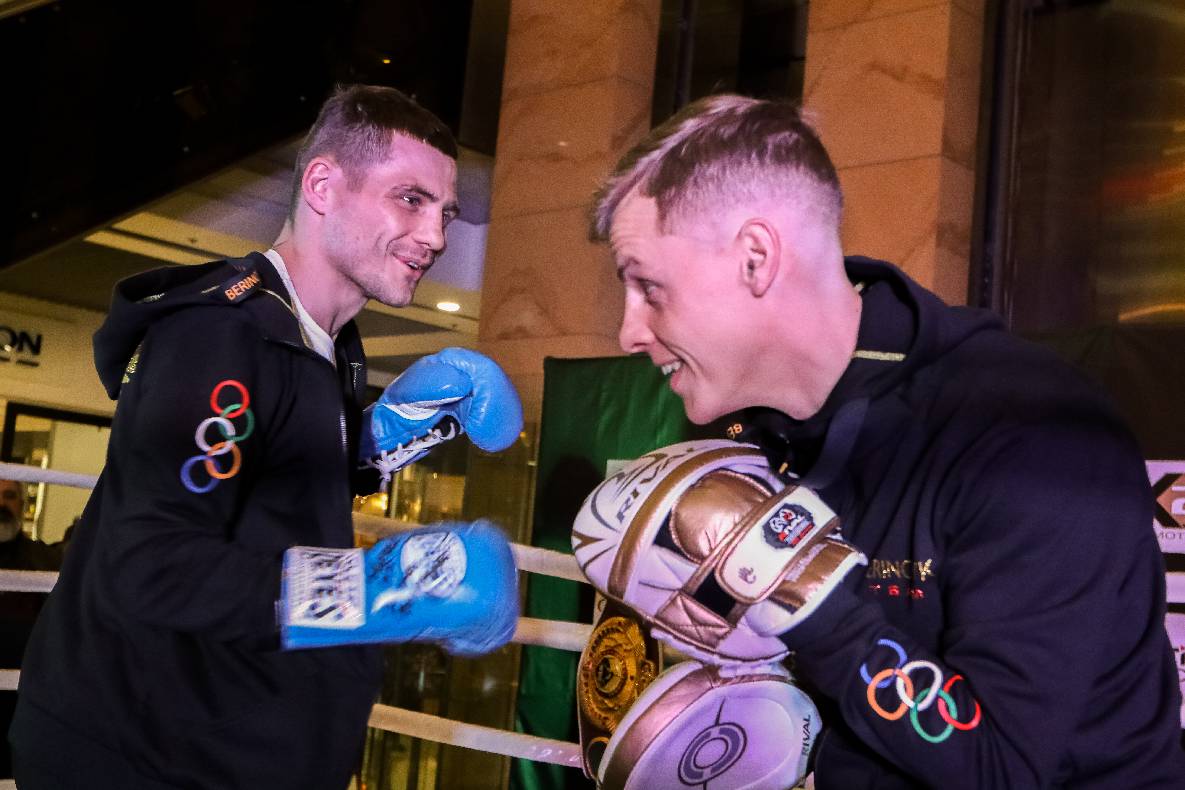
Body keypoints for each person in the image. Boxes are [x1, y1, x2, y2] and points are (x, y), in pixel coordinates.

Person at [588, 94, 1185, 787]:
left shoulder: (1030, 434)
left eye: (647, 288)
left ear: (755, 258)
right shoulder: (757, 436)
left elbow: (999, 768)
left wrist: (791, 589)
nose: (627, 332)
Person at [9, 84, 523, 789]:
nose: (435, 237)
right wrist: (380, 588)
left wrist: (385, 436)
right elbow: (151, 566)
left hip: (241, 745)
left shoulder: (330, 345)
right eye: (410, 199)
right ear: (322, 185)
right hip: (146, 757)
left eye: (446, 212)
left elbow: (264, 483)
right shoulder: (217, 336)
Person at [0, 478, 63, 780]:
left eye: (10, 496)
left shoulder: (46, 563)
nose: (2, 504)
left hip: (22, 706)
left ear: (22, 506)